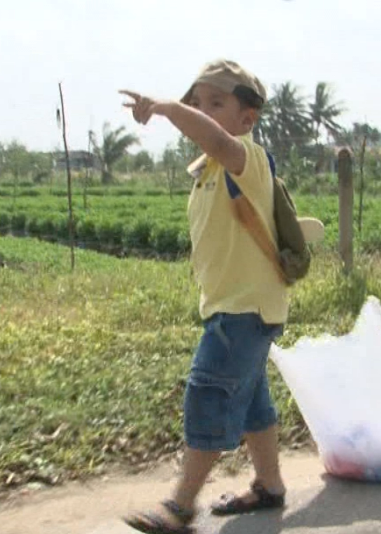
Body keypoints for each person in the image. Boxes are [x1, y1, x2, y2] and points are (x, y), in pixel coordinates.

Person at [120, 59, 290, 534]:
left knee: (208, 392)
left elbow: (214, 138)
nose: (202, 111)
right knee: (252, 402)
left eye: (216, 103)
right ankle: (270, 485)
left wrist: (168, 108)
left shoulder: (246, 158)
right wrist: (182, 111)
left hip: (244, 308)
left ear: (247, 119)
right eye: (197, 103)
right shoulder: (208, 168)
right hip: (233, 305)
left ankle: (180, 506)